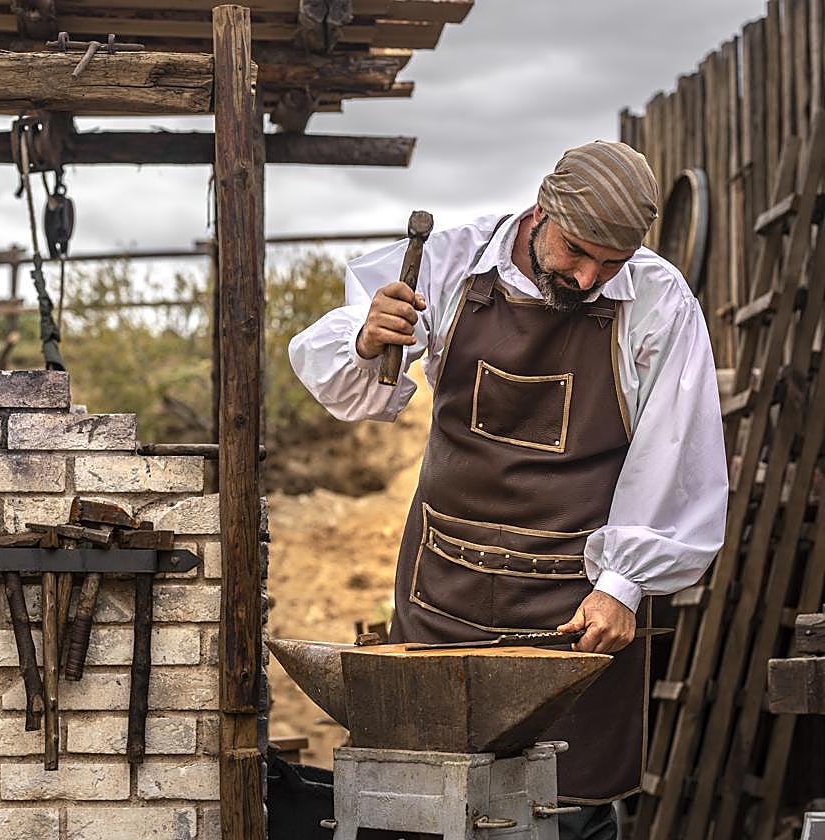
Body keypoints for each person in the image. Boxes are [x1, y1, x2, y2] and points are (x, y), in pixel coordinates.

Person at [288, 141, 728, 840]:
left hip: (574, 609)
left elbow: (675, 453)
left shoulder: (658, 301)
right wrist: (369, 341)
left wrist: (624, 585)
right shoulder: (451, 263)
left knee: (566, 803)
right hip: (445, 589)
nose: (588, 277)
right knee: (427, 796)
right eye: (576, 252)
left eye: (609, 264)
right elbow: (356, 389)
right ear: (540, 211)